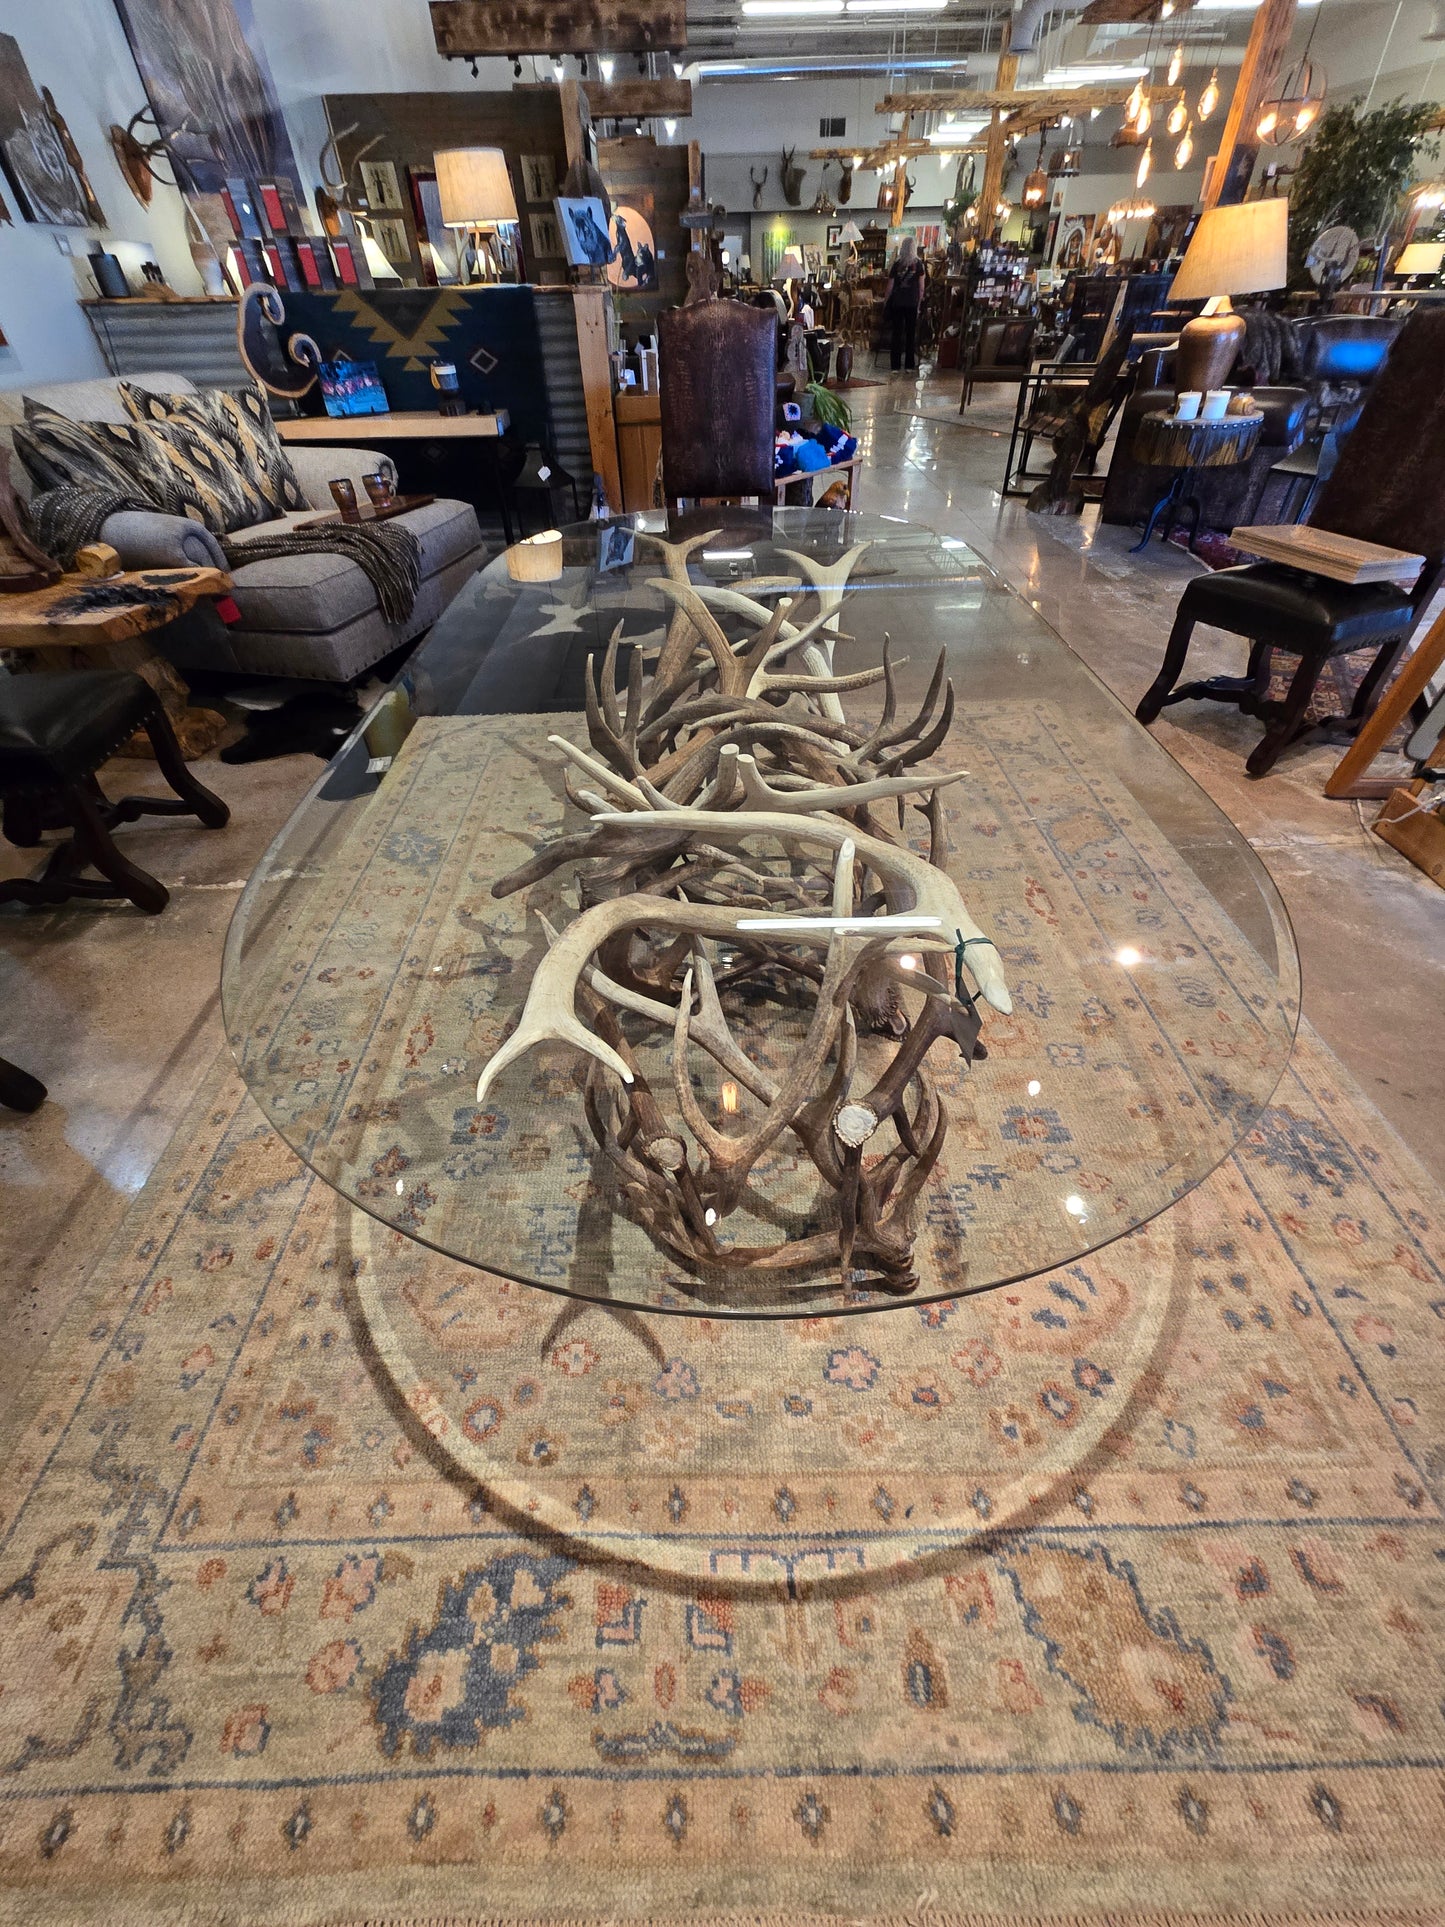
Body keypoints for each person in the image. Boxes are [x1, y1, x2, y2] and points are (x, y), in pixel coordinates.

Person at [884, 235, 926, 372]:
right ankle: (909, 365)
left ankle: (895, 366)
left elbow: (890, 286)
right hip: (912, 302)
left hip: (897, 302)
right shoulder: (919, 264)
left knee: (896, 334)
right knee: (910, 334)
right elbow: (921, 287)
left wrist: (886, 300)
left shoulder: (897, 264)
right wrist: (919, 304)